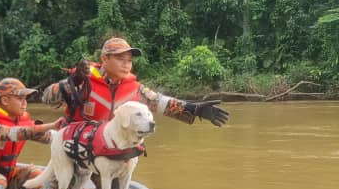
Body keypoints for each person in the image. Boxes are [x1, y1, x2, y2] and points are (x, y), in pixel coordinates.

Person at [41, 37, 230, 127]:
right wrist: (72, 81)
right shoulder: (83, 79)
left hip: (107, 155)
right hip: (75, 151)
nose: (126, 65)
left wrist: (196, 109)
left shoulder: (135, 90)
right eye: (120, 59)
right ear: (105, 60)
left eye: (129, 60)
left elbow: (162, 103)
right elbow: (47, 98)